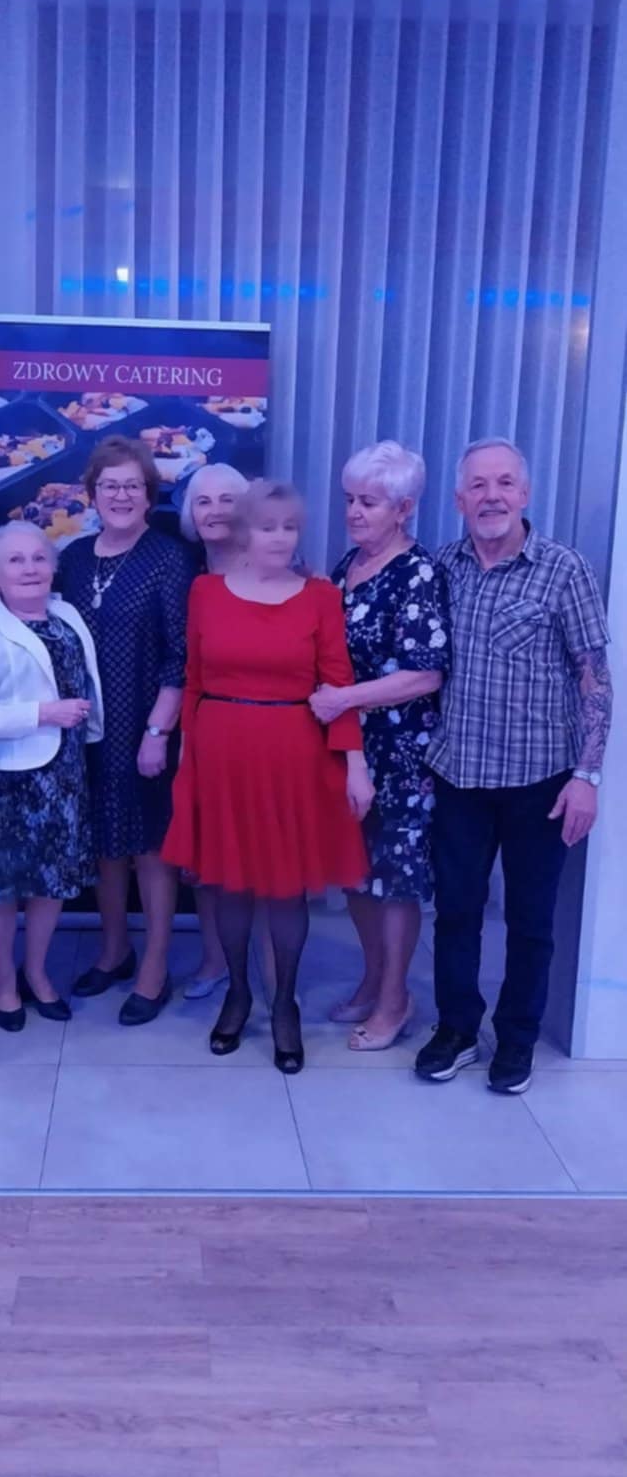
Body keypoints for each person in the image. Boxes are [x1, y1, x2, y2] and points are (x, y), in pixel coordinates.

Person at [415, 438, 612, 1094]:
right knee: (456, 913)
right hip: (457, 776)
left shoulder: (563, 569)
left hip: (541, 783)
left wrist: (587, 776)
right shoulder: (442, 567)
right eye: (478, 485)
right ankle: (457, 1030)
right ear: (459, 499)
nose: (491, 496)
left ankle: (517, 1039)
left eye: (504, 483)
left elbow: (595, 678)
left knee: (530, 921)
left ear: (524, 494)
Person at [163, 480, 373, 1073]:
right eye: (267, 527)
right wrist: (187, 755)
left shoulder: (320, 597)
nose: (280, 538)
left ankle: (285, 1005)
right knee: (228, 884)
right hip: (220, 754)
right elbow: (194, 679)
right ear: (243, 533)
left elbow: (338, 683)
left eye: (289, 527)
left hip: (294, 756)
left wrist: (355, 764)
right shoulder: (205, 592)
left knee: (285, 888)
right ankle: (237, 992)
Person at [311, 442, 450, 1050]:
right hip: (349, 748)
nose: (354, 512)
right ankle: (373, 980)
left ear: (404, 508)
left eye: (368, 501)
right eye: (350, 499)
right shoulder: (349, 564)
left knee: (395, 880)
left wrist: (345, 699)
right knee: (356, 872)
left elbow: (426, 674)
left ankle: (395, 999)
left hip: (400, 753)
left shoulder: (417, 572)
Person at [57, 436, 196, 1026]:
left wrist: (158, 732)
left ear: (148, 495)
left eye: (131, 486)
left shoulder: (169, 558)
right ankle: (114, 951)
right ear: (92, 494)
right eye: (109, 486)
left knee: (150, 848)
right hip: (85, 730)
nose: (120, 496)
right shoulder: (72, 558)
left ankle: (155, 968)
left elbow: (181, 655)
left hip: (146, 726)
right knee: (105, 845)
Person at [0, 522, 102, 1032]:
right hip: (5, 782)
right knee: (3, 888)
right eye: (15, 560)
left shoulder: (67, 615)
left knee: (52, 882)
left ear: (53, 567)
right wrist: (43, 714)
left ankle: (36, 972)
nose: (30, 568)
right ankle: (4, 981)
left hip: (64, 776)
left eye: (38, 558)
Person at [178, 462, 251, 999]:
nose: (216, 511)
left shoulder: (278, 569)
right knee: (203, 856)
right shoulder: (188, 576)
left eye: (228, 499)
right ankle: (213, 960)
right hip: (201, 733)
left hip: (265, 736)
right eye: (204, 501)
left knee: (262, 858)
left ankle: (270, 975)